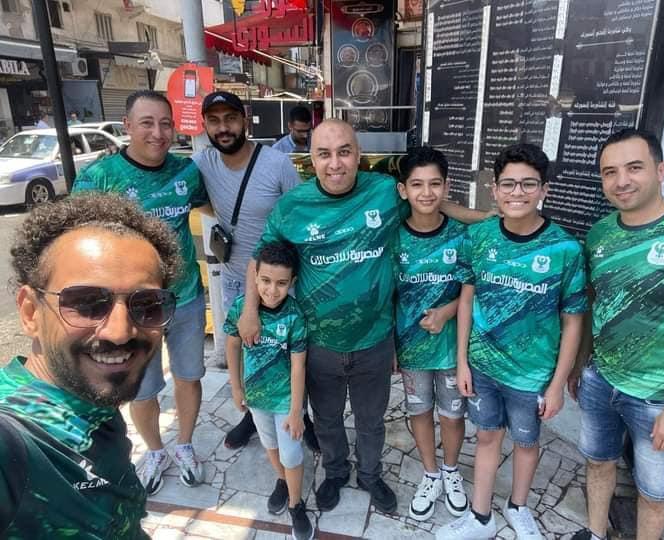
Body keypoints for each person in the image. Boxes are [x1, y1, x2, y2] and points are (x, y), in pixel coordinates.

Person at [239, 119, 494, 514]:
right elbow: (259, 258)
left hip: (375, 340)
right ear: (311, 159)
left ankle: (371, 475)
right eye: (324, 154)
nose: (335, 163)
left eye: (344, 152)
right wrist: (250, 310)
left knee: (371, 419)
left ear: (358, 155)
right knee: (326, 419)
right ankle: (336, 472)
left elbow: (433, 203)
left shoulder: (384, 192)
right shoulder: (292, 207)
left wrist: (491, 219)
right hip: (319, 341)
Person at [568, 129, 664, 540]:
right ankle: (595, 532)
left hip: (658, 397)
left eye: (634, 168)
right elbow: (595, 303)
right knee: (597, 462)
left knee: (653, 492)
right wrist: (581, 365)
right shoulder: (600, 234)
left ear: (661, 170)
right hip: (601, 380)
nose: (622, 181)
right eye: (610, 172)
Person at [0, 193, 180, 538]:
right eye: (86, 303)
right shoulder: (11, 439)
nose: (120, 332)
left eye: (146, 304)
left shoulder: (90, 398)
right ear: (30, 312)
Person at [437, 143, 587, 539]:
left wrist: (557, 385)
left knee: (526, 443)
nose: (517, 193)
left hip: (532, 375)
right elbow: (466, 299)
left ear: (544, 190)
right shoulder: (479, 237)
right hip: (483, 367)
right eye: (508, 184)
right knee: (486, 436)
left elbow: (573, 321)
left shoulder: (565, 249)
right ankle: (480, 517)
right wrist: (463, 362)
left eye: (528, 184)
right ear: (495, 189)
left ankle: (518, 507)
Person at [73, 89, 209, 495]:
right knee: (141, 387)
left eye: (166, 124)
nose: (158, 133)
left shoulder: (187, 172)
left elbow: (210, 206)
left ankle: (184, 444)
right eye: (147, 123)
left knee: (189, 376)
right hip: (131, 309)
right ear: (127, 126)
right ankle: (155, 450)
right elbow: (76, 240)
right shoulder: (99, 178)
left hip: (184, 298)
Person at [192, 91, 319, 453]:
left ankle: (301, 414)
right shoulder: (202, 164)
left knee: (292, 355)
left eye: (230, 118)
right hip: (235, 278)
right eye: (214, 121)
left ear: (245, 119)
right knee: (252, 355)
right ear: (205, 126)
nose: (223, 128)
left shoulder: (277, 164)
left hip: (280, 284)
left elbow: (299, 217)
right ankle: (253, 414)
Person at [392, 147, 472, 521]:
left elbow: (475, 289)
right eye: (417, 184)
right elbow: (387, 294)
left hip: (452, 349)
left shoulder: (462, 236)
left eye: (434, 184)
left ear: (446, 186)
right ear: (403, 190)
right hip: (411, 349)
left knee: (452, 415)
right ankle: (431, 473)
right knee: (419, 411)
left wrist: (446, 311)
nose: (426, 193)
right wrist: (391, 345)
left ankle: (451, 470)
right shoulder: (394, 238)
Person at [224, 242, 313, 540]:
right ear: (255, 277)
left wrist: (296, 412)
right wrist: (236, 387)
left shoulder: (295, 316)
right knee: (270, 445)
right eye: (265, 281)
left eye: (281, 283)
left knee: (292, 453)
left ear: (292, 282)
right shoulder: (242, 308)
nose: (272, 291)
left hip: (286, 400)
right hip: (257, 399)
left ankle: (296, 504)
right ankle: (282, 481)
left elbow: (299, 367)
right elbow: (232, 345)